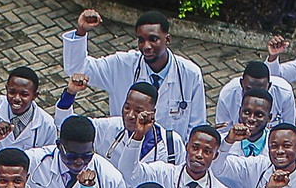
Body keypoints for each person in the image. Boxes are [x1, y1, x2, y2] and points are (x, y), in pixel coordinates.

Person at [62, 8, 206, 135]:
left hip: (170, 160)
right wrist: (81, 32)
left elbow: (196, 128)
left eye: (153, 39)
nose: (146, 46)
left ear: (167, 39)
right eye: (141, 40)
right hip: (125, 151)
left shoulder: (190, 74)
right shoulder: (121, 65)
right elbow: (76, 69)